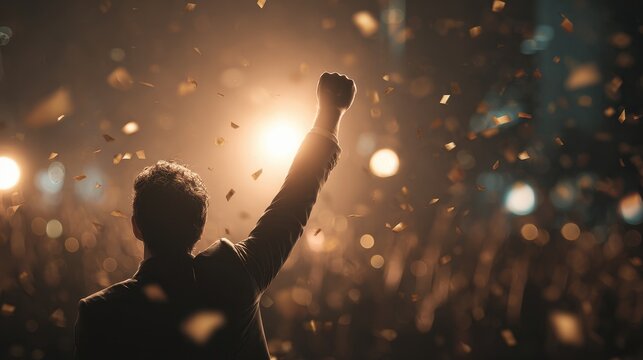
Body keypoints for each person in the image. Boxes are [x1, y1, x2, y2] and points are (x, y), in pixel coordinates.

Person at [74, 72, 356, 359]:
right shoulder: (234, 275)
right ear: (200, 224)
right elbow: (293, 203)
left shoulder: (101, 312)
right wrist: (330, 114)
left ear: (137, 227)